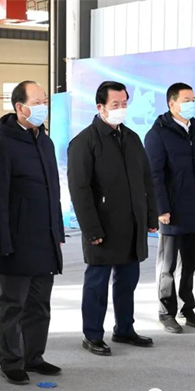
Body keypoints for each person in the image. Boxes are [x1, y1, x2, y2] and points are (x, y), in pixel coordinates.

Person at [67, 81, 158, 357]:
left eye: (124, 104)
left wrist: (150, 215)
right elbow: (79, 190)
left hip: (132, 224)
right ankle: (92, 334)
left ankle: (125, 329)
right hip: (102, 226)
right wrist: (91, 229)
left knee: (128, 280)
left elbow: (146, 180)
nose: (121, 109)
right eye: (115, 104)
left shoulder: (132, 138)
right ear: (101, 107)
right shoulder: (84, 142)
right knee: (97, 283)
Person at [0, 81, 64, 385]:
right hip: (16, 241)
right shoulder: (2, 145)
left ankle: (34, 356)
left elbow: (54, 193)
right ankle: (11, 361)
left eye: (45, 101)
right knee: (12, 306)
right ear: (20, 107)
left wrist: (57, 232)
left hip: (45, 238)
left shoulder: (45, 142)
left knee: (39, 304)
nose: (44, 107)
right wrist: (2, 243)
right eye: (38, 102)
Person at [144, 83, 195, 333]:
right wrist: (161, 208)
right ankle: (166, 312)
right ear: (171, 103)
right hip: (171, 211)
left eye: (193, 99)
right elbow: (154, 175)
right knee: (168, 267)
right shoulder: (157, 134)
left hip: (194, 208)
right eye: (186, 100)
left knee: (189, 264)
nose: (191, 103)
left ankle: (187, 309)